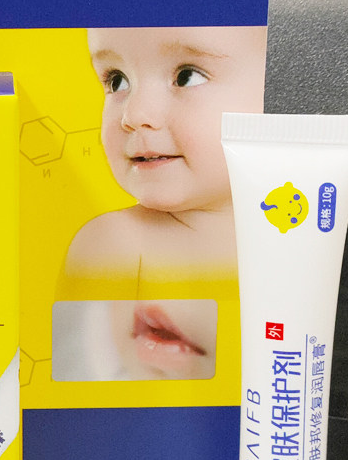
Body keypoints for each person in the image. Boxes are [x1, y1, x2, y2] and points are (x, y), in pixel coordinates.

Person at [62, 26, 267, 282]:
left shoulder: (303, 233)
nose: (134, 115)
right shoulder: (116, 247)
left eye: (186, 76)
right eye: (117, 80)